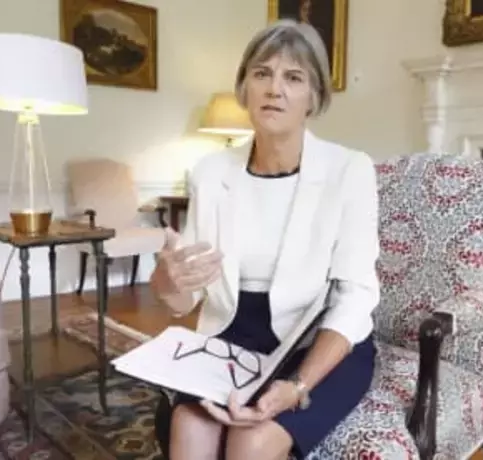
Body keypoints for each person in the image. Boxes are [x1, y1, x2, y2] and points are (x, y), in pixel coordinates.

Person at [151, 18, 380, 460]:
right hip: (232, 334)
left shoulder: (349, 170)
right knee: (190, 428)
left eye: (293, 77)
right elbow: (186, 299)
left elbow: (355, 297)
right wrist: (166, 280)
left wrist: (297, 385)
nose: (275, 89)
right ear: (245, 88)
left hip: (317, 338)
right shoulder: (210, 172)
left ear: (314, 96)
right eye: (262, 74)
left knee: (251, 442)